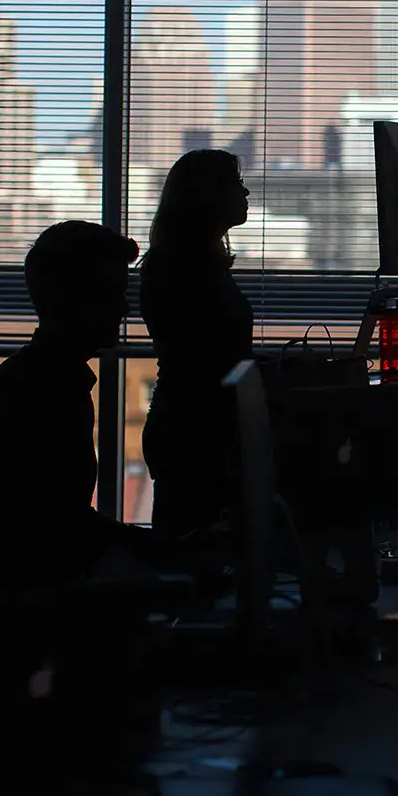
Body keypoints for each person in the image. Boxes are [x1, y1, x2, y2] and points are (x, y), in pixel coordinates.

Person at [0, 221, 158, 590]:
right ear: (71, 300)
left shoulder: (37, 375)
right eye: (110, 294)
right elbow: (54, 527)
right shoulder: (46, 390)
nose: (123, 308)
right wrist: (156, 547)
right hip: (31, 593)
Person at [139, 149, 253, 539]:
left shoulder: (197, 263)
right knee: (190, 549)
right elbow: (208, 358)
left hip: (196, 427)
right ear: (210, 195)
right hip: (192, 435)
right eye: (237, 184)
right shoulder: (183, 268)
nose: (246, 192)